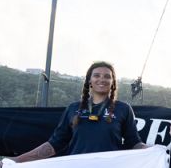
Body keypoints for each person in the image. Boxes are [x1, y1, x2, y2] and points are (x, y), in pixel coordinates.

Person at [12, 61, 147, 162]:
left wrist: (156, 150)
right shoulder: (73, 109)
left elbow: (133, 143)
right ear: (89, 80)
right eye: (97, 75)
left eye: (107, 76)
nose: (102, 79)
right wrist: (17, 160)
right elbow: (54, 144)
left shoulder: (123, 109)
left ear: (112, 82)